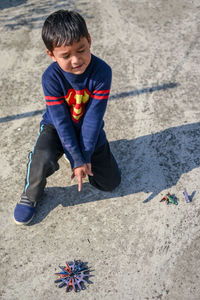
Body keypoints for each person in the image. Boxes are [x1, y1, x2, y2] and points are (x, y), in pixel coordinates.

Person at [13, 10, 121, 225]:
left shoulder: (102, 72)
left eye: (81, 50)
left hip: (87, 128)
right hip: (56, 127)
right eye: (65, 56)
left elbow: (93, 119)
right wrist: (76, 159)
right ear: (51, 55)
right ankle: (31, 193)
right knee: (42, 158)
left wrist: (85, 156)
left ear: (89, 41)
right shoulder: (51, 78)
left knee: (110, 183)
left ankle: (85, 156)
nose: (76, 60)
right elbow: (61, 122)